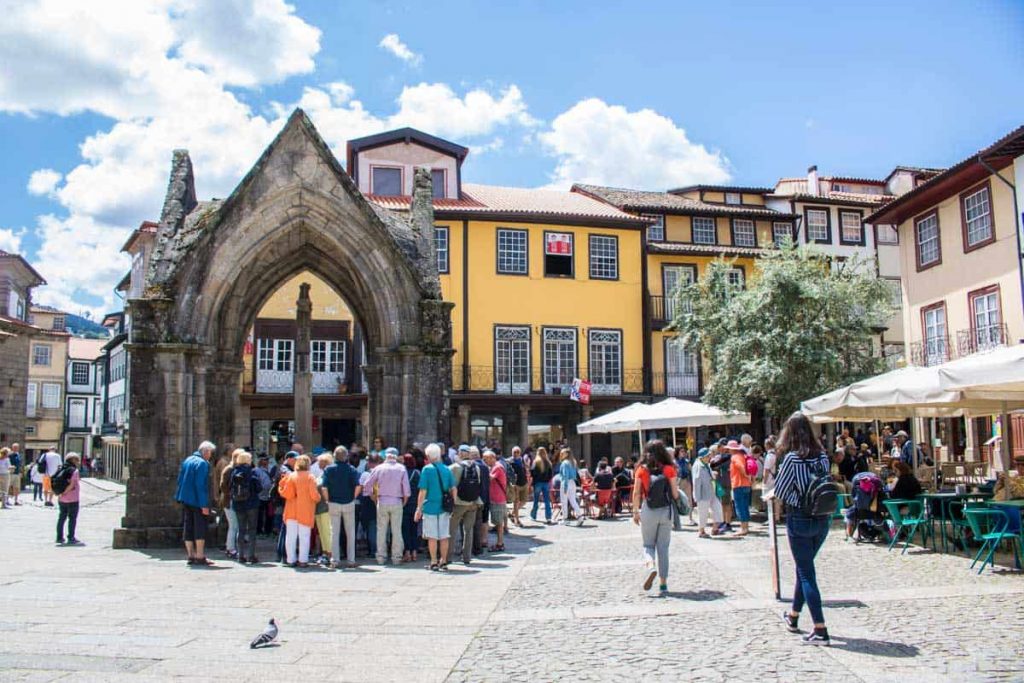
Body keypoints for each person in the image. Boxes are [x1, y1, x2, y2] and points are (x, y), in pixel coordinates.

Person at [772, 412, 832, 646]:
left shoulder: (792, 459)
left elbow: (781, 491)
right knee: (803, 568)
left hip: (799, 518)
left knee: (806, 573)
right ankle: (794, 617)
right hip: (822, 519)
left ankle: (820, 628)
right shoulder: (823, 458)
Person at [631, 440, 680, 594]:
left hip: (648, 509)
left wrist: (635, 511)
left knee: (648, 545)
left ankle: (651, 566)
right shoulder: (669, 469)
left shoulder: (641, 470)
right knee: (663, 548)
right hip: (665, 511)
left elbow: (637, 493)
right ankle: (663, 584)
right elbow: (675, 494)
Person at [364, 447, 411, 565]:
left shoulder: (378, 468)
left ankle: (381, 557)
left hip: (382, 501)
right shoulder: (401, 468)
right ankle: (396, 557)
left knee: (381, 530)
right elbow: (406, 488)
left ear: (385, 456)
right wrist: (405, 499)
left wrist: (372, 496)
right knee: (396, 531)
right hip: (396, 501)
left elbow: (368, 484)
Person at [415, 443, 456, 571]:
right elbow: (453, 488)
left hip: (430, 507)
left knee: (432, 536)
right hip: (444, 507)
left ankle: (433, 561)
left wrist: (418, 508)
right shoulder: (446, 469)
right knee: (444, 535)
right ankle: (443, 561)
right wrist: (452, 503)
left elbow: (423, 491)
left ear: (428, 456)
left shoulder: (427, 470)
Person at [174, 441, 216, 566]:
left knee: (188, 526)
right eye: (210, 453)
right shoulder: (203, 464)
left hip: (186, 499)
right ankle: (200, 555)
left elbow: (180, 480)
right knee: (199, 527)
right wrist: (204, 505)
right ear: (205, 451)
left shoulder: (187, 460)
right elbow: (200, 485)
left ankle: (190, 555)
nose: (210, 456)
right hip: (197, 500)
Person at [278, 454, 322, 567]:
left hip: (291, 510)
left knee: (290, 536)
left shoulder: (291, 476)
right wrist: (318, 498)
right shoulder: (310, 477)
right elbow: (314, 496)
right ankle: (303, 560)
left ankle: (291, 560)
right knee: (304, 537)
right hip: (305, 511)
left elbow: (287, 494)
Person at [323, 446, 361, 569]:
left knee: (334, 532)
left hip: (333, 502)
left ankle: (335, 560)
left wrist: (327, 499)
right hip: (348, 502)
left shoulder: (329, 469)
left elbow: (324, 487)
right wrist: (353, 497)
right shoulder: (351, 469)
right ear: (346, 456)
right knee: (350, 532)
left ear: (334, 456)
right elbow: (358, 486)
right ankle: (351, 560)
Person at [448, 446, 482, 565]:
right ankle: (467, 557)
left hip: (458, 503)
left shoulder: (454, 467)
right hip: (472, 502)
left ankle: (448, 556)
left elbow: (448, 485)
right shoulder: (476, 467)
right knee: (468, 530)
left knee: (451, 530)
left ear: (462, 454)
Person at [230, 451, 261, 564]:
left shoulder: (234, 472)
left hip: (238, 504)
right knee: (252, 530)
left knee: (241, 529)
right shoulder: (252, 472)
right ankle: (251, 555)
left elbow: (230, 488)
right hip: (252, 504)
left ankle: (240, 555)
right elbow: (259, 488)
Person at [218, 448, 245, 559]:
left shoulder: (233, 469)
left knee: (234, 526)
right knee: (234, 526)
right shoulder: (229, 469)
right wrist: (232, 494)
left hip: (231, 500)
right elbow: (223, 486)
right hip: (229, 501)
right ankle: (230, 548)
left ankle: (231, 547)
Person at [691, 447, 723, 537]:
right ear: (703, 457)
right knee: (703, 513)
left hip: (711, 491)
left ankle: (715, 528)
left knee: (718, 508)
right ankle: (701, 531)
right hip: (703, 493)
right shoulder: (698, 466)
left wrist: (712, 474)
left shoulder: (705, 464)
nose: (710, 457)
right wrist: (696, 496)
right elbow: (696, 482)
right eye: (708, 456)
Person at [483, 450, 508, 551]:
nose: (484, 460)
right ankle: (499, 543)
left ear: (492, 458)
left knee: (498, 523)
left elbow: (490, 478)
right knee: (497, 522)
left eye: (486, 459)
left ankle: (500, 543)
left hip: (498, 498)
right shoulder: (494, 467)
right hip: (495, 498)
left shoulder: (497, 467)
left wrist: (483, 469)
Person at [313, 453, 334, 565]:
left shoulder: (328, 473)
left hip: (325, 507)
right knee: (322, 532)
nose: (318, 463)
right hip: (318, 507)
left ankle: (330, 554)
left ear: (325, 462)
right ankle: (325, 553)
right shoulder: (322, 473)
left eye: (320, 461)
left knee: (326, 531)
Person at [55, 454, 81, 545]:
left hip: (61, 499)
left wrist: (60, 493)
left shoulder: (60, 468)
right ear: (73, 460)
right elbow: (72, 485)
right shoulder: (74, 471)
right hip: (73, 498)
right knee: (72, 518)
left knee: (61, 518)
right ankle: (71, 537)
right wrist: (65, 492)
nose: (78, 462)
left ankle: (59, 537)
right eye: (77, 460)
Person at [727, 440, 752, 536]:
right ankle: (746, 527)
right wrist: (749, 478)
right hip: (746, 484)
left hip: (738, 484)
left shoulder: (735, 457)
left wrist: (745, 475)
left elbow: (740, 467)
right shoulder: (743, 456)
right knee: (745, 507)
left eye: (729, 449)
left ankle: (743, 529)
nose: (728, 450)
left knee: (740, 507)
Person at [401, 451, 422, 563]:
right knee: (414, 530)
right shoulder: (417, 473)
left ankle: (407, 552)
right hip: (414, 505)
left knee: (405, 530)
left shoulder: (402, 472)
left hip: (404, 504)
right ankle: (414, 552)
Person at [471, 446, 491, 555]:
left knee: (474, 522)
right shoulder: (485, 466)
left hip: (475, 498)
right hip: (485, 496)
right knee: (484, 520)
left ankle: (474, 543)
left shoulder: (473, 466)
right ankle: (484, 540)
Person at [558, 448, 584, 526]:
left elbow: (565, 475)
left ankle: (565, 519)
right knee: (573, 501)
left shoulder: (564, 463)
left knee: (564, 501)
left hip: (566, 482)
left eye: (562, 453)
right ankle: (580, 516)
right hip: (573, 482)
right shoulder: (573, 462)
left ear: (566, 454)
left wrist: (565, 486)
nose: (561, 455)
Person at [530, 446, 553, 523]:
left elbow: (532, 473)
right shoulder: (548, 462)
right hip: (546, 483)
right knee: (547, 500)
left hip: (537, 483)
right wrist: (547, 479)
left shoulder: (535, 462)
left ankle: (533, 515)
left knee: (536, 500)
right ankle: (548, 517)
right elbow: (551, 474)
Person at [508, 446, 529, 527]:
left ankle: (511, 513)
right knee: (516, 503)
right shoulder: (509, 461)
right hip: (516, 484)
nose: (516, 453)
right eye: (514, 452)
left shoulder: (522, 460)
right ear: (512, 452)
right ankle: (517, 520)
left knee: (524, 501)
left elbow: (526, 469)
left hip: (524, 483)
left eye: (518, 452)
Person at [254, 456, 273, 536]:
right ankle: (259, 531)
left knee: (268, 514)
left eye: (267, 460)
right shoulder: (256, 470)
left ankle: (267, 530)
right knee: (260, 515)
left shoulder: (269, 469)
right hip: (260, 496)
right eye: (265, 460)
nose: (267, 461)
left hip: (267, 496)